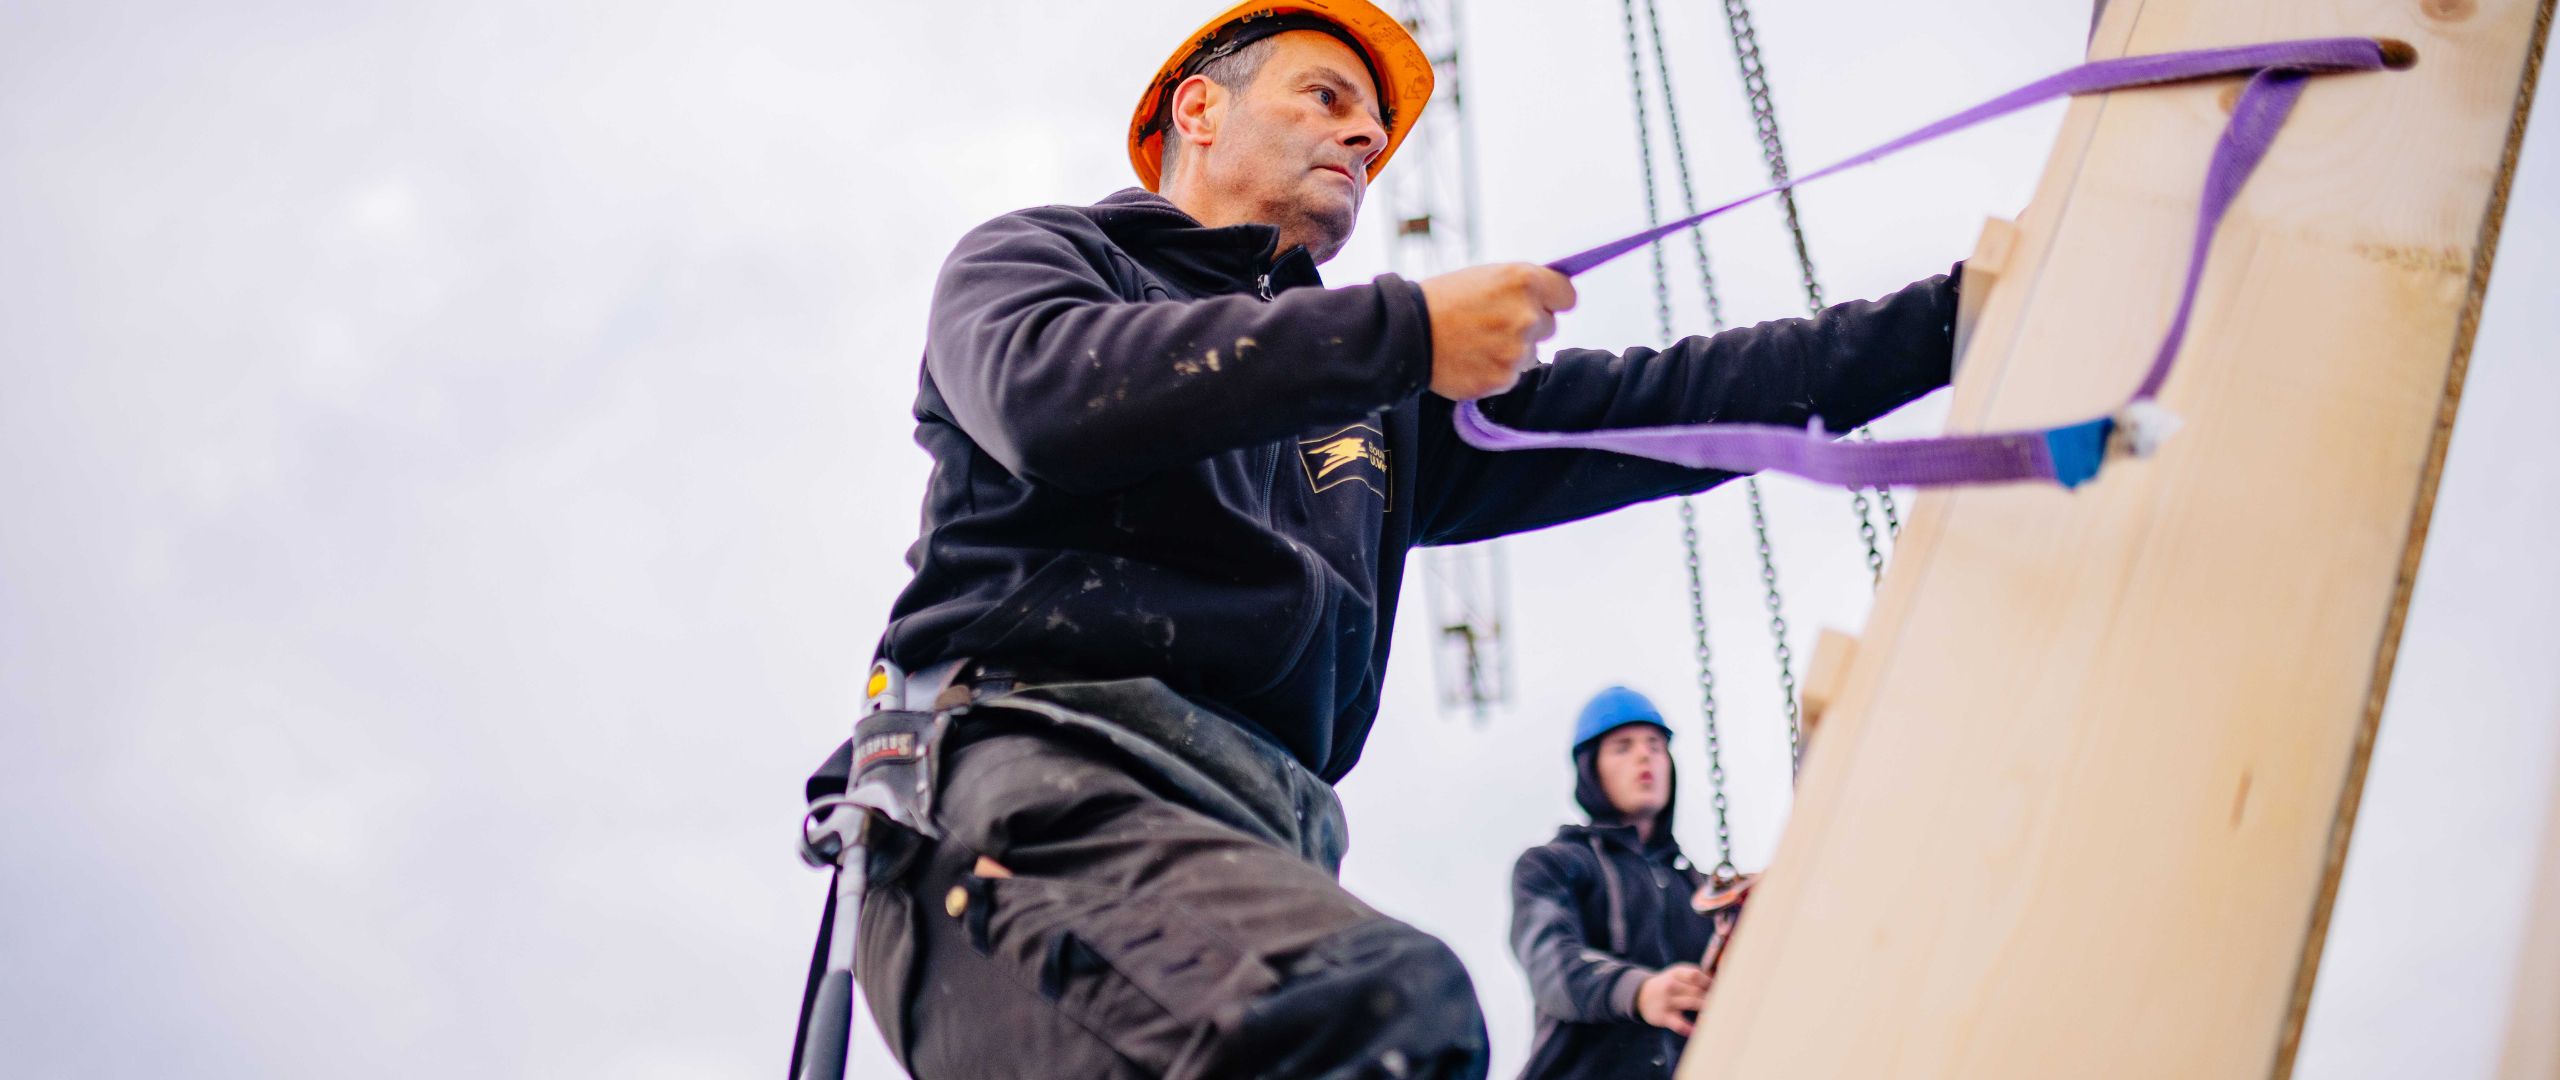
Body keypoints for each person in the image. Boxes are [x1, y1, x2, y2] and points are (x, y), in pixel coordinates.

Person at [812, 2, 1960, 1076]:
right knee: (1374, 1019)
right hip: (1027, 798)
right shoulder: (1042, 261)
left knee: (1379, 1020)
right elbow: (1046, 399)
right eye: (1325, 96)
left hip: (1245, 847)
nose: (1365, 133)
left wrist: (1961, 318)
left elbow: (1678, 401)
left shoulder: (1376, 410)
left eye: (1375, 123)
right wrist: (1401, 330)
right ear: (1196, 112)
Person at [1509, 687, 1726, 1080]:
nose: (1645, 756)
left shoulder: (1702, 891)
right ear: (1592, 769)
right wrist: (1638, 992)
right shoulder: (1552, 866)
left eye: (1656, 745)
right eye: (1623, 747)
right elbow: (1552, 964)